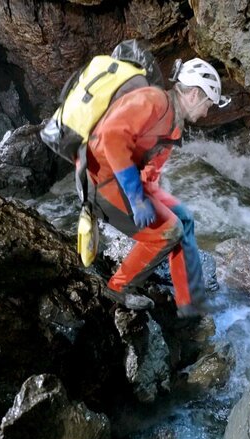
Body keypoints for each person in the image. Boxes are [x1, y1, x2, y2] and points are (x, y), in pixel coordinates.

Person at [86, 57, 231, 316]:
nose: (207, 113)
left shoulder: (174, 122)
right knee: (169, 230)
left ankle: (189, 303)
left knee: (183, 218)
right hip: (102, 181)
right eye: (208, 104)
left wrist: (151, 196)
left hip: (122, 181)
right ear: (194, 94)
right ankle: (119, 287)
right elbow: (112, 137)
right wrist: (137, 199)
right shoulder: (153, 101)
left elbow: (150, 169)